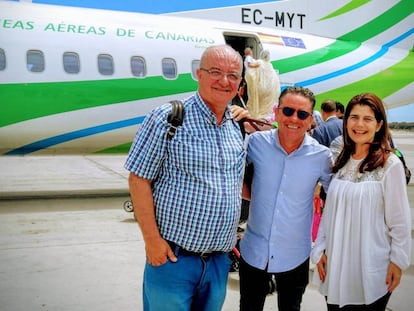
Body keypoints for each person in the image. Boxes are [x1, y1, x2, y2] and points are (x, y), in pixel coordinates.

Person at [124, 44, 246, 311]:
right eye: (216, 71)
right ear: (199, 74)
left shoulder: (235, 127)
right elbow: (138, 180)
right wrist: (152, 241)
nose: (224, 81)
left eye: (233, 75)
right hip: (174, 260)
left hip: (217, 263)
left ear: (240, 84)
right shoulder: (167, 118)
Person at [311, 93, 411, 310]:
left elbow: (400, 221)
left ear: (379, 125)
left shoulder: (389, 164)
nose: (359, 124)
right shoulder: (342, 162)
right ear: (345, 121)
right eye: (354, 117)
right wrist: (320, 250)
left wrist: (398, 261)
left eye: (368, 118)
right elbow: (330, 213)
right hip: (336, 266)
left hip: (371, 267)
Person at [239, 86, 333, 311]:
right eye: (288, 111)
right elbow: (231, 172)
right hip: (254, 251)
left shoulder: (322, 156)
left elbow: (338, 199)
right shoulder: (255, 143)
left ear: (311, 119)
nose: (294, 119)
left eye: (302, 114)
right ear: (277, 112)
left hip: (295, 255)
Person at [244, 50, 281, 120]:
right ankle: (266, 117)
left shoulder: (259, 62)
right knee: (267, 105)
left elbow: (250, 71)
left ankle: (257, 116)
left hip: (260, 87)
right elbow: (274, 78)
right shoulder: (270, 65)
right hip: (269, 89)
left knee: (259, 104)